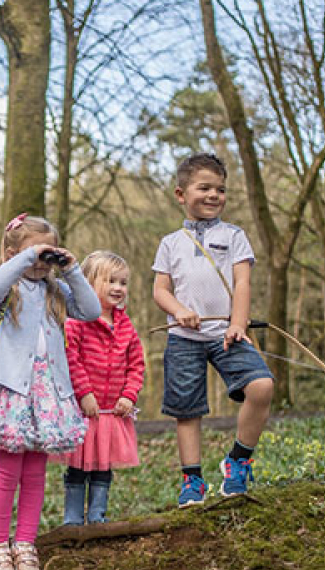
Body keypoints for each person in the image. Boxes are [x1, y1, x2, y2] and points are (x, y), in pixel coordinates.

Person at [0, 214, 101, 570]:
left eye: (47, 255)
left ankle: (25, 543)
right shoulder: (6, 288)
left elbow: (91, 311)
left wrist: (71, 269)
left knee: (36, 474)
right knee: (8, 471)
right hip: (13, 391)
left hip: (48, 393)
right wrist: (26, 258)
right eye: (35, 255)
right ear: (12, 254)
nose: (42, 264)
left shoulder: (56, 291)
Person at [151, 152, 274, 508]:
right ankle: (192, 479)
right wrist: (180, 310)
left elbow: (243, 281)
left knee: (261, 385)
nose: (213, 195)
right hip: (183, 337)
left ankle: (238, 460)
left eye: (220, 190)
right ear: (180, 194)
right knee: (187, 410)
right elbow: (160, 290)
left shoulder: (234, 235)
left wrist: (237, 323)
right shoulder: (171, 243)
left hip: (227, 333)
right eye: (204, 188)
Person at [61, 251, 145, 525]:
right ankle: (73, 518)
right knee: (77, 467)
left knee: (103, 466)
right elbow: (70, 359)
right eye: (110, 281)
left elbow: (136, 365)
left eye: (122, 282)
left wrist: (128, 396)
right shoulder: (77, 322)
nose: (118, 288)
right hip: (83, 411)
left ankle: (97, 514)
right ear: (87, 283)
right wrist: (84, 393)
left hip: (111, 413)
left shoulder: (126, 326)